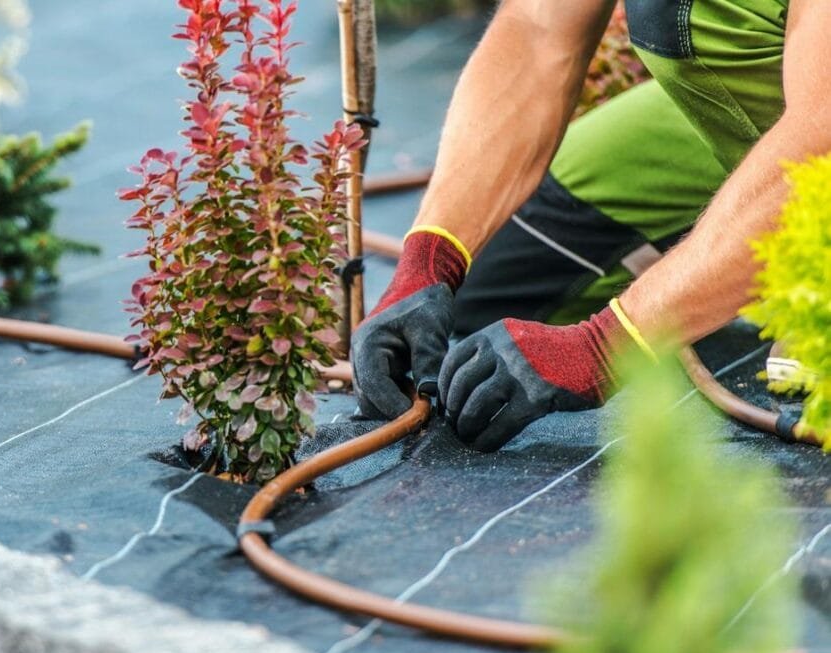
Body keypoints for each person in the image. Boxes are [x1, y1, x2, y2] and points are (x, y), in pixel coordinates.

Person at [352, 0, 831, 451]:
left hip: (816, 119)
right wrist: (430, 259)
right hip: (751, 98)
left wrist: (604, 345)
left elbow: (821, 136)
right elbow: (538, 32)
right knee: (494, 287)